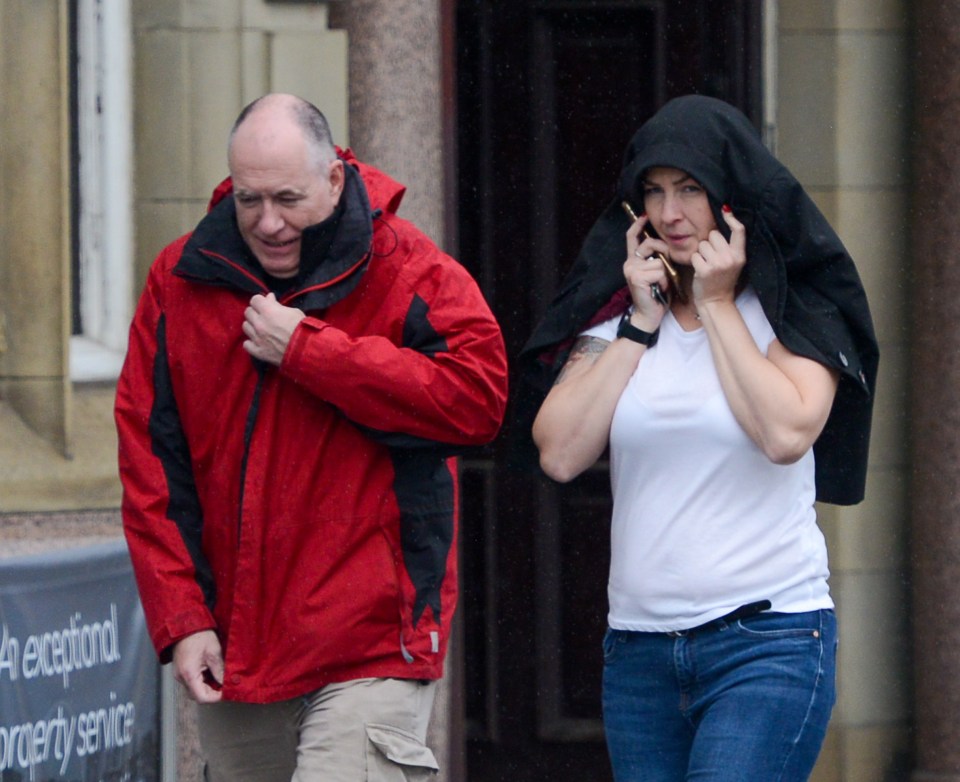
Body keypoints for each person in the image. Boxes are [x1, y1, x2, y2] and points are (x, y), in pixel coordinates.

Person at [115, 93, 508, 781]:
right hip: (241, 647)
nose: (269, 223)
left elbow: (478, 400)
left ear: (334, 178)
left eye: (288, 198)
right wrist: (182, 619)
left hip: (373, 643)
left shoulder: (410, 268)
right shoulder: (180, 282)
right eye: (249, 200)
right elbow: (152, 464)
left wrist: (310, 353)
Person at [521, 95, 878, 781]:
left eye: (689, 189)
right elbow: (560, 453)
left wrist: (715, 306)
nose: (670, 213)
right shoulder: (620, 314)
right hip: (640, 655)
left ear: (730, 197)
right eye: (653, 192)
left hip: (768, 644)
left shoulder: (794, 306)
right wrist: (638, 326)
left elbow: (784, 433)